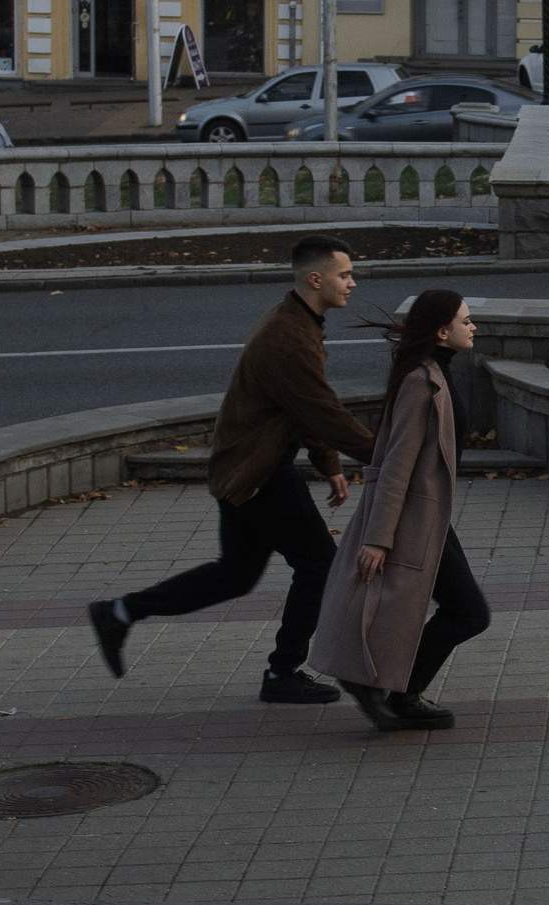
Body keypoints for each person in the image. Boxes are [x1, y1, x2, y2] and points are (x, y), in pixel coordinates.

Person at [89, 236, 375, 703]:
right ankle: (282, 674)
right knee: (321, 564)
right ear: (315, 278)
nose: (352, 283)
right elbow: (322, 410)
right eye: (345, 274)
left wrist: (329, 465)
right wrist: (387, 455)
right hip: (257, 475)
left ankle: (119, 613)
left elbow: (304, 405)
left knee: (236, 574)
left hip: (244, 468)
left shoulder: (296, 321)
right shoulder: (288, 338)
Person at [311, 290, 491, 731]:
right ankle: (395, 693)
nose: (474, 328)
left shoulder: (436, 373)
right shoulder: (420, 382)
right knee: (468, 612)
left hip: (430, 516)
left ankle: (388, 689)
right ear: (441, 331)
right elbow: (396, 465)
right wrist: (378, 537)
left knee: (458, 610)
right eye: (466, 321)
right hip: (413, 516)